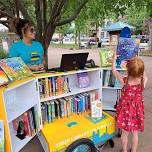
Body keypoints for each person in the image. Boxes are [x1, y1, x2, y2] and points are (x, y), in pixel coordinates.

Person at [112, 53, 148, 152]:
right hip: (137, 112)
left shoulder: (124, 81)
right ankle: (134, 150)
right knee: (135, 133)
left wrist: (114, 60)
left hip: (125, 112)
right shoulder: (142, 82)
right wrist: (141, 64)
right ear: (141, 72)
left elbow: (114, 71)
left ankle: (124, 150)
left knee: (125, 134)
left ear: (127, 70)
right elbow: (146, 77)